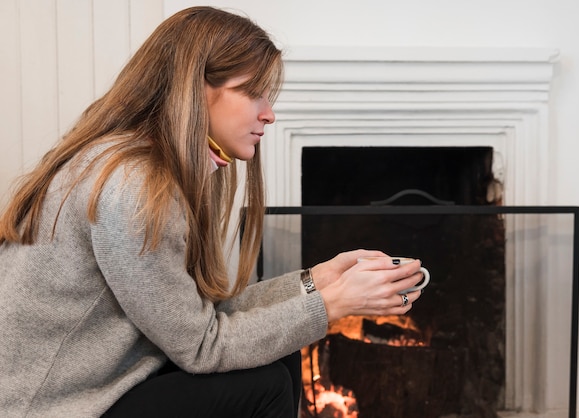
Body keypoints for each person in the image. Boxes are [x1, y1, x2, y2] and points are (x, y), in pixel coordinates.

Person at [0, 6, 425, 418]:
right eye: (254, 92)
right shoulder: (133, 186)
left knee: (279, 352)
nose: (269, 114)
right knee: (265, 383)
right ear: (198, 88)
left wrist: (315, 283)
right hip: (51, 408)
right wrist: (332, 305)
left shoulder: (136, 164)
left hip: (103, 386)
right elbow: (203, 347)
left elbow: (199, 316)